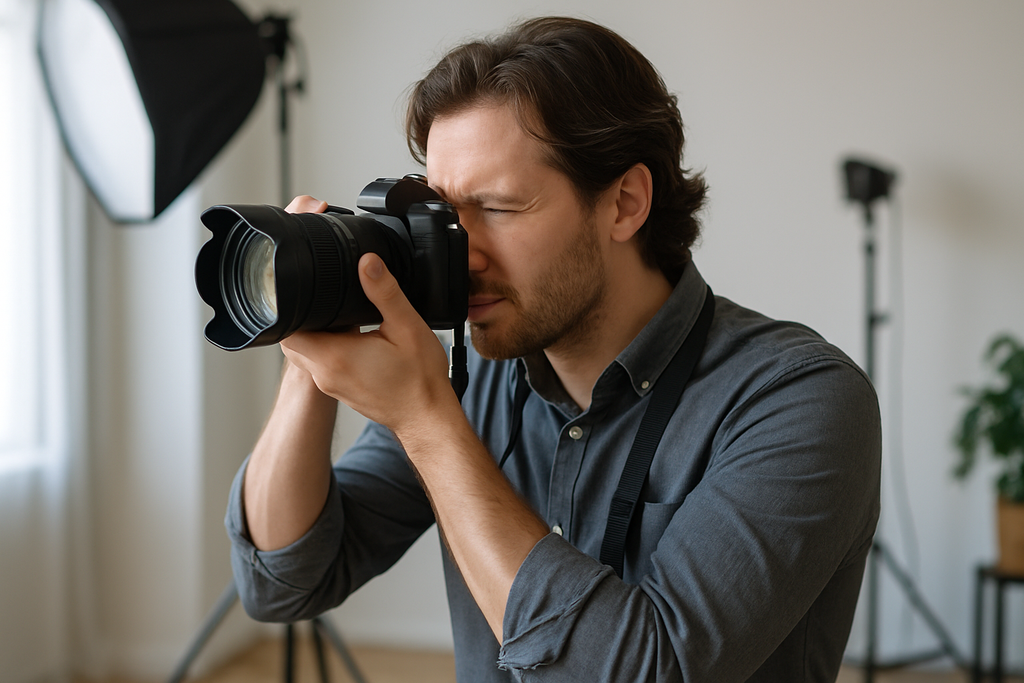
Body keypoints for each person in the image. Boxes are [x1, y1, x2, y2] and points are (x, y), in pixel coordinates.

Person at [225, 16, 881, 682]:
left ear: (625, 203)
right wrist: (314, 340)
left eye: (498, 207)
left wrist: (426, 424)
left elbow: (651, 670)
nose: (461, 253)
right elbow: (281, 582)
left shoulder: (798, 400)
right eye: (445, 213)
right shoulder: (471, 379)